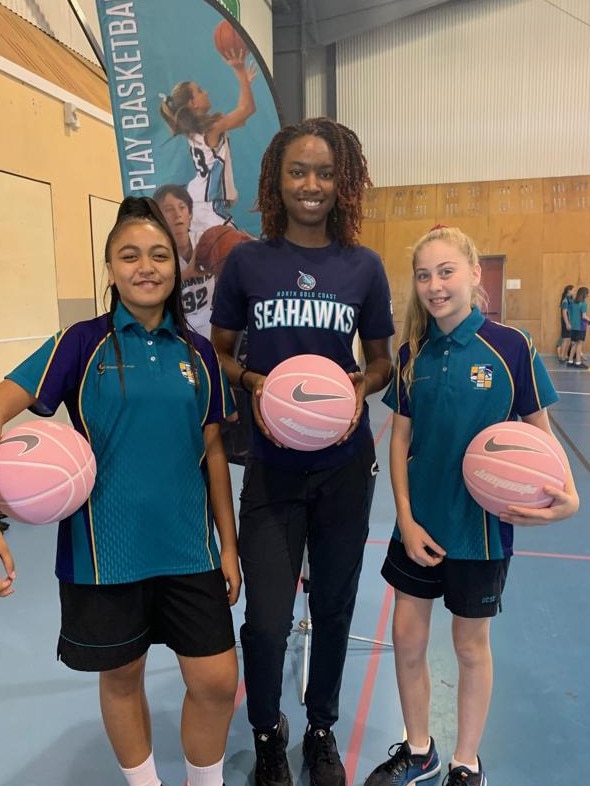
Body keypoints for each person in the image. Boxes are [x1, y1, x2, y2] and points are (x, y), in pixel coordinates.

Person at [0, 196, 241, 786]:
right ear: (109, 267)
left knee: (215, 681)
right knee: (123, 677)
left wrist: (228, 546)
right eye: (129, 255)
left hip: (190, 550)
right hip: (104, 556)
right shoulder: (79, 344)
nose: (146, 266)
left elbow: (212, 450)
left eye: (160, 255)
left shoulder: (199, 352)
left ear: (176, 267)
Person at [211, 117, 395, 786]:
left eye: (324, 173)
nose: (311, 185)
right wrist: (252, 380)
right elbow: (221, 350)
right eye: (298, 172)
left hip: (344, 468)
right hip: (272, 467)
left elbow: (381, 365)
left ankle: (320, 728)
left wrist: (357, 384)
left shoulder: (363, 267)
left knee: (335, 607)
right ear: (276, 182)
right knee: (264, 621)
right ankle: (267, 729)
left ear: (341, 182)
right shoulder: (248, 263)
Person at [363, 225, 579, 786]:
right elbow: (401, 439)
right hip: (420, 528)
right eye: (424, 275)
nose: (434, 286)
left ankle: (465, 761)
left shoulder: (512, 348)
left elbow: (541, 435)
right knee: (407, 641)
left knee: (469, 645)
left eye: (446, 271)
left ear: (474, 274)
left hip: (481, 533)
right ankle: (419, 750)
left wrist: (568, 499)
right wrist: (405, 521)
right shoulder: (414, 353)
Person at [159, 48, 256, 240]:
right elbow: (247, 109)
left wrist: (246, 84)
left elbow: (242, 118)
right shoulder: (211, 128)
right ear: (193, 103)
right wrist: (240, 73)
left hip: (200, 202)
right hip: (207, 205)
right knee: (240, 252)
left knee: (219, 260)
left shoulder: (200, 128)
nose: (206, 92)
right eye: (200, 91)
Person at [153, 183, 216, 338]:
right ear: (158, 217)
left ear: (190, 214)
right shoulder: (155, 253)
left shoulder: (206, 240)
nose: (177, 215)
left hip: (212, 324)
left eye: (182, 207)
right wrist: (187, 274)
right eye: (169, 210)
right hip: (177, 329)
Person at [567, 285, 589, 368]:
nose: (588, 294)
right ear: (584, 294)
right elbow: (584, 316)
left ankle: (570, 361)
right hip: (580, 327)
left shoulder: (573, 303)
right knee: (579, 344)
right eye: (587, 293)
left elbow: (569, 313)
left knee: (574, 344)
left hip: (573, 327)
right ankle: (578, 362)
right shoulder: (583, 304)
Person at [557, 284, 574, 362]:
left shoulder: (571, 299)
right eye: (573, 290)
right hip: (566, 322)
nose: (574, 292)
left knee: (569, 339)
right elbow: (564, 313)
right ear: (569, 291)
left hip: (571, 322)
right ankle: (562, 357)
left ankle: (565, 355)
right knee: (565, 339)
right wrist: (567, 323)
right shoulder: (565, 300)